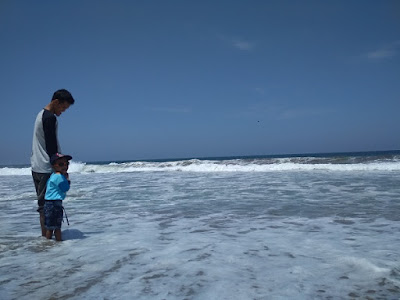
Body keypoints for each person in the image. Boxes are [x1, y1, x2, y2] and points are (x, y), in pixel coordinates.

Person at [31, 89, 75, 237]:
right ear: (56, 102)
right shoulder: (50, 118)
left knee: (43, 206)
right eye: (63, 107)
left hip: (37, 165)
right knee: (47, 206)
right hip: (46, 167)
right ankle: (47, 244)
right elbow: (51, 147)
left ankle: (46, 241)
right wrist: (60, 167)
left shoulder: (40, 115)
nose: (62, 111)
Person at [44, 153, 72, 241]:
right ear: (54, 166)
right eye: (61, 164)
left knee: (50, 227)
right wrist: (67, 180)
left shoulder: (53, 175)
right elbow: (65, 188)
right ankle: (59, 243)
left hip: (48, 203)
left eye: (66, 164)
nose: (64, 166)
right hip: (55, 204)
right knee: (57, 227)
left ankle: (47, 243)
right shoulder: (59, 177)